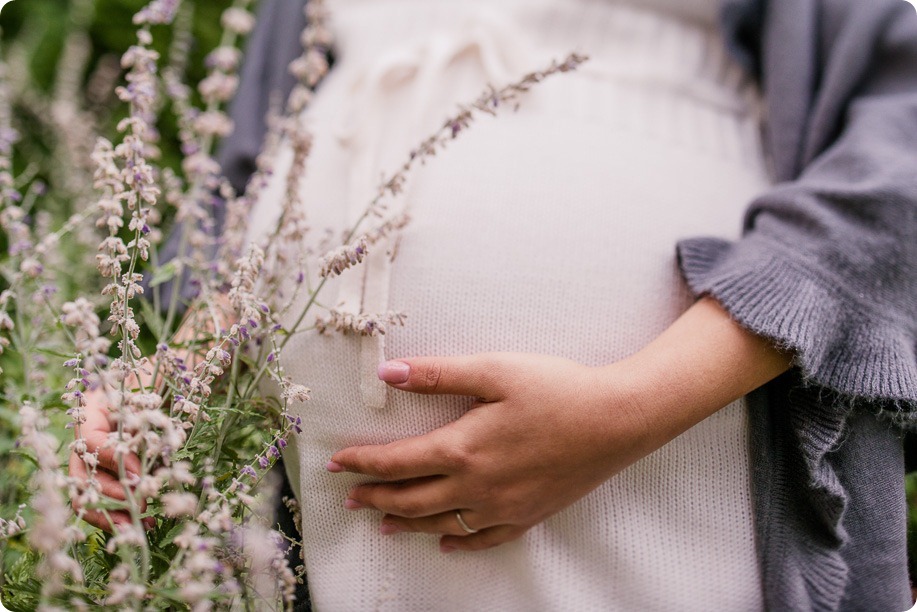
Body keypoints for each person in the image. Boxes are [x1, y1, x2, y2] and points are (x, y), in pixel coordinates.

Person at [74, 0, 917, 610]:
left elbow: (899, 149)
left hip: (677, 469)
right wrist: (170, 380)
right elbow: (251, 192)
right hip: (345, 547)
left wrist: (632, 407)